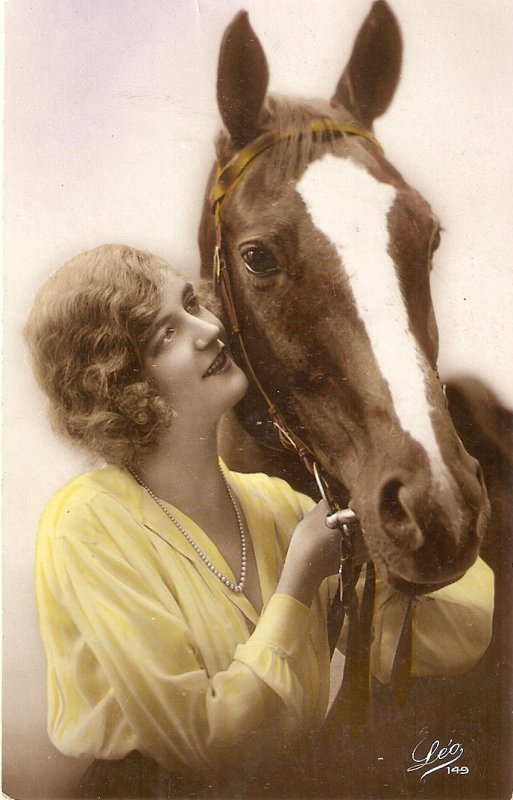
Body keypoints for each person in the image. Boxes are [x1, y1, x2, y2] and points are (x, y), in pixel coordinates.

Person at [25, 244, 494, 799]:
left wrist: (431, 519)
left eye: (191, 306)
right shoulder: (85, 523)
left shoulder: (274, 505)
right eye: (165, 335)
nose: (206, 330)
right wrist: (298, 583)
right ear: (120, 387)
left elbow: (456, 639)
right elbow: (202, 749)